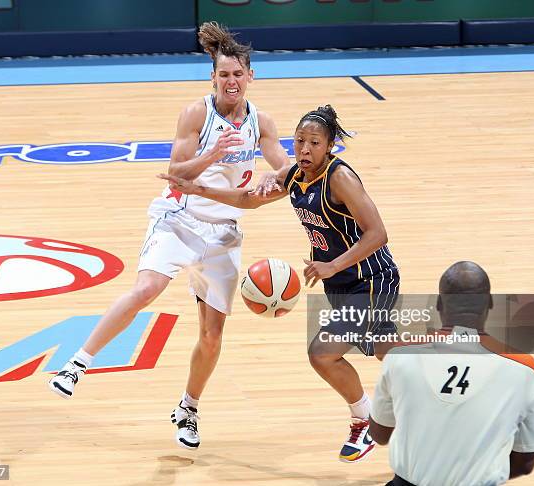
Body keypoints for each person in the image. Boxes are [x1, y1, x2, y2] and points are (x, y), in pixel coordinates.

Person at [48, 22, 290, 451]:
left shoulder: (262, 122)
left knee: (212, 335)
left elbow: (284, 167)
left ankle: (188, 408)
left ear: (252, 77)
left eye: (238, 74)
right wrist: (212, 154)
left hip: (224, 233)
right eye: (223, 75)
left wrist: (281, 175)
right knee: (148, 287)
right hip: (179, 218)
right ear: (212, 78)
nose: (231, 81)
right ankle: (76, 364)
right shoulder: (196, 114)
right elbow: (176, 173)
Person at [160, 105, 400, 463]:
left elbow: (378, 233)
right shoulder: (294, 175)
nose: (304, 150)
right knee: (387, 351)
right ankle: (449, 377)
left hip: (370, 278)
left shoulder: (339, 179)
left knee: (323, 353)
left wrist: (333, 265)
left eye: (314, 143)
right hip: (340, 280)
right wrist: (196, 189)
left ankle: (365, 419)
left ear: (330, 146)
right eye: (299, 141)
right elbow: (247, 200)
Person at [369, 261, 534, 486]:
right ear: (489, 304)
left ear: (439, 304)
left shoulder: (399, 356)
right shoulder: (524, 368)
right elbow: (525, 462)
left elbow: (380, 435)